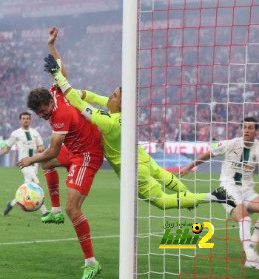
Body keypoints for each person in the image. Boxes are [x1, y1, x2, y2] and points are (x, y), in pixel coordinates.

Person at [45, 27, 226, 211]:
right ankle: (190, 198)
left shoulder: (110, 122)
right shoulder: (123, 114)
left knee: (161, 202)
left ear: (121, 103)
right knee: (168, 178)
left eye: (114, 95)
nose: (109, 96)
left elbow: (81, 104)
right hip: (142, 158)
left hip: (133, 170)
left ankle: (211, 196)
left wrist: (60, 78)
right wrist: (62, 83)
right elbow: (89, 96)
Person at [17, 57, 104, 279]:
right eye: (38, 113)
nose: (42, 115)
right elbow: (60, 72)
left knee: (73, 209)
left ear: (49, 103)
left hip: (86, 154)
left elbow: (53, 151)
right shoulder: (55, 92)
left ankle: (91, 262)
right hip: (74, 148)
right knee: (47, 164)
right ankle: (54, 212)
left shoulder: (60, 115)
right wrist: (52, 46)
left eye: (43, 110)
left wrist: (30, 160)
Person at [180, 117, 259, 269]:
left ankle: (251, 243)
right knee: (245, 219)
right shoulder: (231, 144)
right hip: (228, 187)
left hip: (247, 190)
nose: (247, 130)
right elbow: (208, 155)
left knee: (246, 217)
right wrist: (188, 168)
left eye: (251, 128)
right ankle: (251, 259)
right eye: (245, 127)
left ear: (256, 131)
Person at [0, 111, 48, 217]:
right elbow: (8, 147)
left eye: (27, 118)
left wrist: (40, 148)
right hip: (24, 164)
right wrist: (3, 151)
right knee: (36, 184)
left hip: (34, 164)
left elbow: (41, 146)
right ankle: (45, 212)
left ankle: (11, 205)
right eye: (23, 118)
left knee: (26, 188)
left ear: (30, 120)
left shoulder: (35, 132)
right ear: (20, 120)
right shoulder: (16, 133)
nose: (25, 120)